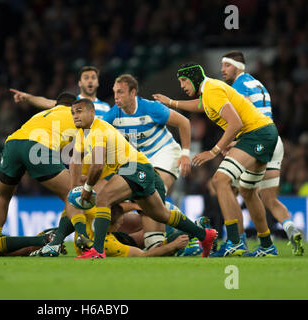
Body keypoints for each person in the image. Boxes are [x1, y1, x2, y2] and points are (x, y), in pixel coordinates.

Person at [153, 63, 279, 257]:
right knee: (248, 191)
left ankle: (235, 242)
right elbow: (201, 106)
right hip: (260, 134)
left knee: (220, 180)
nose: (182, 86)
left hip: (257, 135)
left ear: (195, 78)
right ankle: (267, 245)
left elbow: (235, 123)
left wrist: (214, 151)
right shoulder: (209, 91)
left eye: (184, 80)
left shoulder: (211, 89)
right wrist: (172, 102)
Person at [67, 98, 217, 259]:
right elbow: (75, 159)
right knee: (161, 215)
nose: (75, 116)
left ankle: (97, 250)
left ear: (92, 112)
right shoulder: (83, 134)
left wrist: (87, 189)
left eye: (79, 111)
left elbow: (97, 166)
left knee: (104, 198)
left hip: (134, 168)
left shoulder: (98, 129)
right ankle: (204, 234)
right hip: (139, 169)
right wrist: (74, 186)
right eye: (73, 113)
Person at [221, 51, 303, 256]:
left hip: (258, 141)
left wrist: (236, 141)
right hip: (275, 141)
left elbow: (240, 119)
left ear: (239, 67)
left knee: (231, 187)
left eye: (227, 66)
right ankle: (291, 229)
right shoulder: (258, 84)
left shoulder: (238, 87)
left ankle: (238, 242)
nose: (222, 70)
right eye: (222, 65)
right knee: (268, 198)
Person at [0, 92, 80, 257]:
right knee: (74, 195)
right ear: (74, 107)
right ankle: (57, 241)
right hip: (38, 147)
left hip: (13, 143)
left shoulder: (40, 115)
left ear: (56, 105)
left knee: (2, 197)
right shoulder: (75, 117)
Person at [103, 74, 191, 250]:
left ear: (133, 92)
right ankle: (186, 231)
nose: (116, 97)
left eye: (120, 92)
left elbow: (184, 122)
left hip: (165, 152)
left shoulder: (151, 108)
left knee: (150, 192)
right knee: (144, 201)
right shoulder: (113, 115)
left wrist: (185, 153)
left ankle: (160, 242)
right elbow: (98, 136)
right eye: (114, 93)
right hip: (140, 161)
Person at [10, 66, 111, 119]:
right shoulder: (72, 103)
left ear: (97, 82)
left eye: (93, 78)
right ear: (79, 83)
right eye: (86, 78)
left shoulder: (106, 107)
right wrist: (28, 97)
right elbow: (47, 102)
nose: (90, 81)